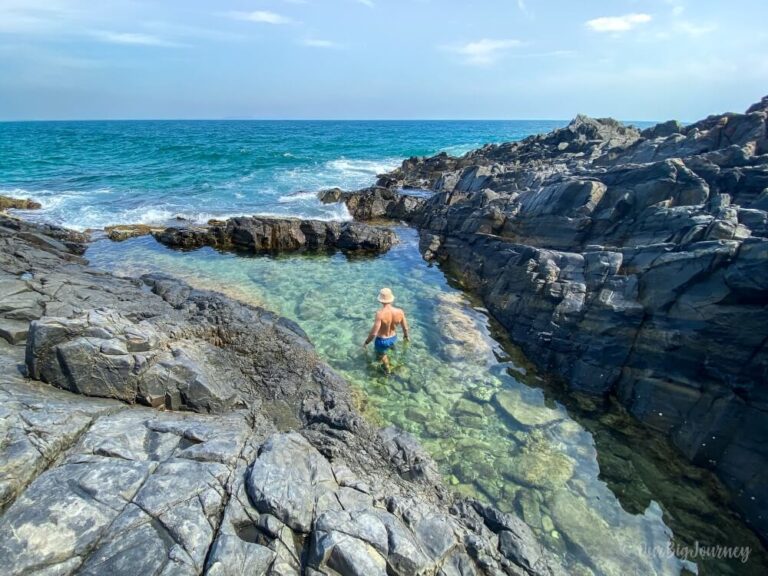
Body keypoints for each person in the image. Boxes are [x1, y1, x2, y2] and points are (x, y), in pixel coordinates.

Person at [363, 287, 410, 372]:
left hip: (382, 341)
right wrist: (406, 336)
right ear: (391, 299)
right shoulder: (400, 311)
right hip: (393, 338)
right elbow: (405, 327)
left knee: (381, 355)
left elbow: (374, 333)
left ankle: (387, 369)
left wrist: (366, 342)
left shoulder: (380, 314)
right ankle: (394, 363)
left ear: (380, 301)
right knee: (391, 350)